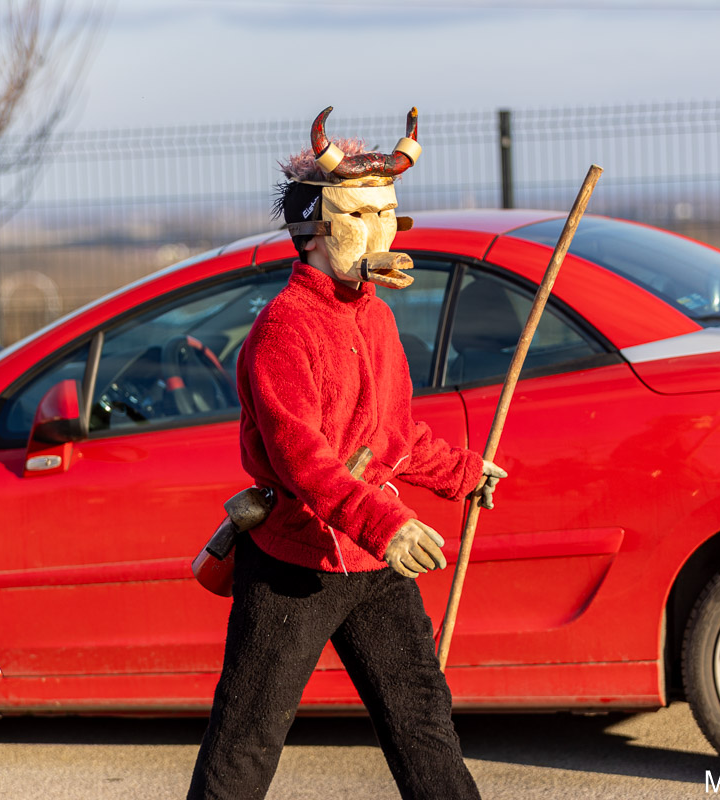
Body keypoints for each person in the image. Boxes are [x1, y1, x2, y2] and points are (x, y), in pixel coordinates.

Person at [187, 107, 506, 800]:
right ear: (316, 231)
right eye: (362, 216)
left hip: (372, 561)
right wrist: (388, 525)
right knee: (246, 741)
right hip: (294, 562)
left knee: (424, 724)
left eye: (389, 215)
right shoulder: (283, 329)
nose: (382, 234)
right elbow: (305, 462)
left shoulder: (378, 317)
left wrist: (461, 472)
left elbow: (393, 436)